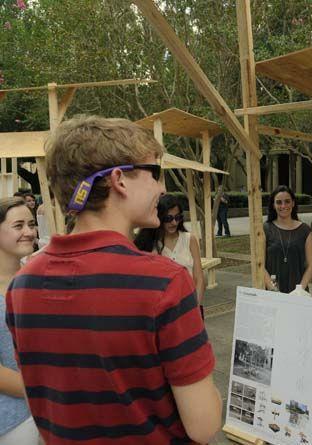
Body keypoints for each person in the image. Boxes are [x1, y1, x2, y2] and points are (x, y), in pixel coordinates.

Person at [6, 116, 222, 445]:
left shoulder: (21, 286)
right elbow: (204, 426)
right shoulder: (165, 283)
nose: (162, 188)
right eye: (155, 173)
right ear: (119, 180)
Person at [0, 197, 40, 445]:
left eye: (32, 224)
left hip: (55, 410)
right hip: (14, 420)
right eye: (18, 225)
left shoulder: (40, 278)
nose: (28, 232)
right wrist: (45, 389)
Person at [135, 194, 206, 312]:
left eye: (177, 217)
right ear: (159, 217)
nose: (174, 222)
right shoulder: (149, 245)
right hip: (161, 312)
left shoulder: (190, 239)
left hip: (190, 307)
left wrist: (195, 308)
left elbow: (199, 279)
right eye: (168, 218)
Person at [263, 185, 312, 293]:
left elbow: (310, 265)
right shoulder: (265, 229)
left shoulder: (305, 230)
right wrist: (272, 288)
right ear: (273, 205)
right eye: (278, 202)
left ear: (293, 203)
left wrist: (299, 290)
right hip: (272, 292)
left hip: (299, 294)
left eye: (287, 201)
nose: (283, 205)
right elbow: (260, 265)